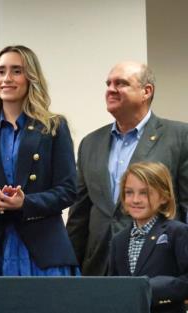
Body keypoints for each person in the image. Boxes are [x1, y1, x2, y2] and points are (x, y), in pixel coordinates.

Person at [0, 45, 79, 276]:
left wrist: (26, 203)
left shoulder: (53, 127)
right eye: (1, 71)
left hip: (44, 252)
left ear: (31, 77)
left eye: (16, 71)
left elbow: (68, 190)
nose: (7, 78)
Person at [66, 61, 188, 276]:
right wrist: (69, 270)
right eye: (108, 84)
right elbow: (79, 215)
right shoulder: (91, 143)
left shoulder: (179, 137)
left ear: (146, 92)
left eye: (121, 83)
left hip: (157, 267)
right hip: (98, 267)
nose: (111, 89)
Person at [109, 162, 188, 313]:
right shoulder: (118, 240)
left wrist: (154, 288)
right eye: (129, 192)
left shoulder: (177, 232)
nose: (135, 200)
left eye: (144, 193)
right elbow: (114, 284)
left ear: (164, 197)